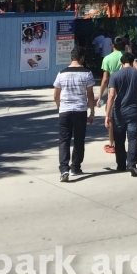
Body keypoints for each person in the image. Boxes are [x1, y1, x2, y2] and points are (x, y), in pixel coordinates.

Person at [52, 47, 95, 182]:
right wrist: (92, 112)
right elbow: (90, 94)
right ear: (82, 58)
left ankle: (64, 169)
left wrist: (59, 106)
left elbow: (56, 94)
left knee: (64, 140)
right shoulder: (87, 73)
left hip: (64, 111)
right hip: (80, 110)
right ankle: (75, 167)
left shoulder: (61, 73)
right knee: (79, 139)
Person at [104, 52, 137, 176]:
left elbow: (111, 95)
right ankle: (132, 164)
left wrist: (107, 114)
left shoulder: (115, 75)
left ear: (121, 63)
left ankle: (121, 164)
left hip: (119, 111)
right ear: (133, 62)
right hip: (134, 110)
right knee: (133, 138)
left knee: (119, 139)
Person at [98, 38, 124, 154]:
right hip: (126, 89)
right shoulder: (128, 56)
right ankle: (122, 142)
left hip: (113, 89)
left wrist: (100, 96)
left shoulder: (107, 58)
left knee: (111, 117)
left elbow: (105, 79)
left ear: (112, 45)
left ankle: (111, 143)